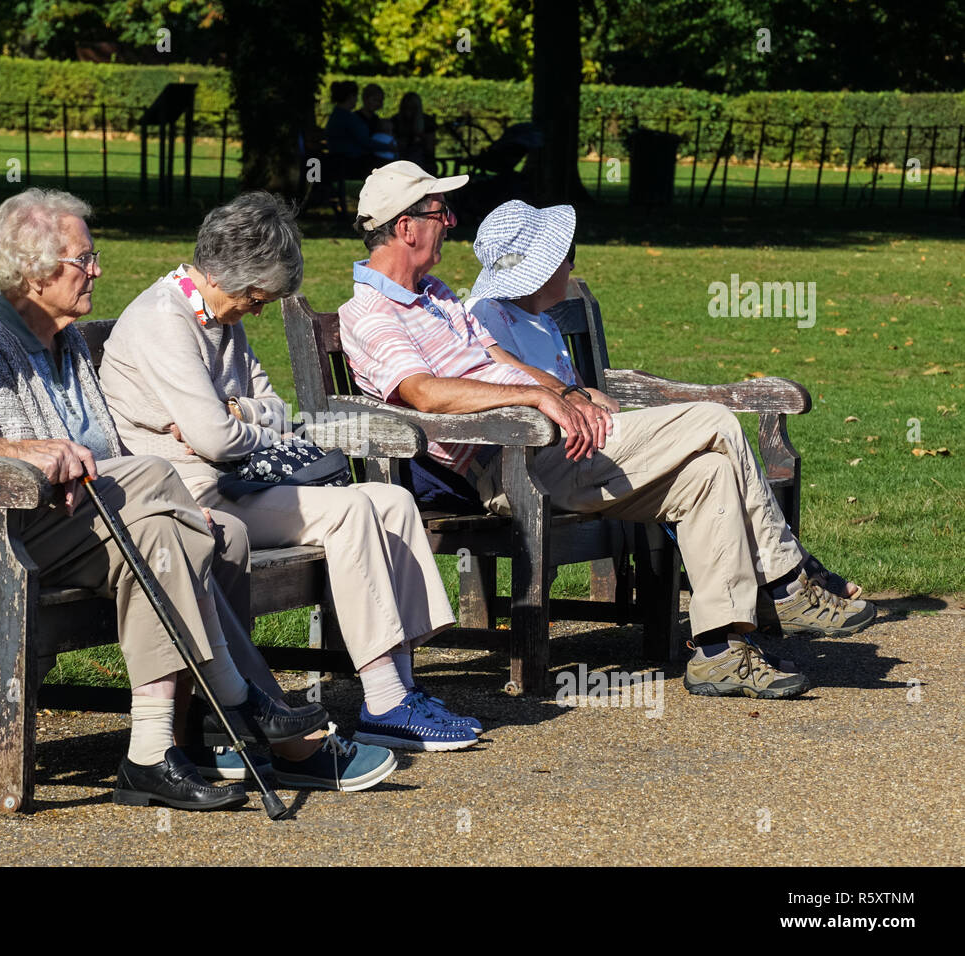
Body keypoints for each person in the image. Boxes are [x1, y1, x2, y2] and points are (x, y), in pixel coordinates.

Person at [0, 175, 326, 812]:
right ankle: (238, 699)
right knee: (151, 478)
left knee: (157, 530)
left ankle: (151, 754)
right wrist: (24, 458)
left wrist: (38, 477)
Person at [335, 163, 876, 701]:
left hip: (558, 446)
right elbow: (422, 392)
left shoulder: (438, 296)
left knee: (710, 473)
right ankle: (787, 583)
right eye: (440, 212)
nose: (450, 223)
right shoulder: (372, 312)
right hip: (515, 461)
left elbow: (501, 359)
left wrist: (566, 393)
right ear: (407, 227)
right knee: (713, 420)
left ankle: (718, 652)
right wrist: (534, 399)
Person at [0, 188, 393, 793]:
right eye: (84, 259)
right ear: (34, 270)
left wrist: (171, 492)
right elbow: (31, 474)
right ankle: (262, 723)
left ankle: (199, 734)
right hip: (44, 534)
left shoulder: (68, 342)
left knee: (220, 532)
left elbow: (113, 449)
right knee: (183, 536)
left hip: (100, 515)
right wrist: (164, 500)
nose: (97, 270)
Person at [99, 190, 478, 753]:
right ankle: (381, 700)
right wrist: (233, 427)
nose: (257, 310)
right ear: (231, 276)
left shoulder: (223, 315)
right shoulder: (163, 321)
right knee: (350, 510)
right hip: (196, 494)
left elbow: (270, 408)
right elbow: (212, 441)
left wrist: (238, 416)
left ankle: (401, 687)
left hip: (243, 479)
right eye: (257, 297)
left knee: (393, 502)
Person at [324, 80, 376, 180]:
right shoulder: (347, 117)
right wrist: (388, 147)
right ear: (351, 96)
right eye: (356, 96)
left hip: (342, 161)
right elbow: (365, 141)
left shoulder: (337, 114)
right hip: (350, 163)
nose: (357, 100)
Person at [391, 92, 437, 172]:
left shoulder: (427, 121)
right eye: (407, 108)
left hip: (419, 157)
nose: (409, 111)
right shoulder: (396, 120)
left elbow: (429, 147)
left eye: (412, 108)